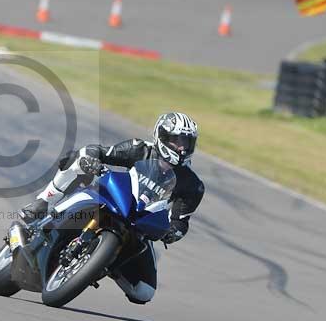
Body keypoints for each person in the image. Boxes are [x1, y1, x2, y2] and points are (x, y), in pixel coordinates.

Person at [16, 112, 205, 304]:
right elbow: (101, 152)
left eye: (187, 142)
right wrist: (92, 158)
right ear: (162, 136)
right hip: (114, 199)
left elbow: (180, 222)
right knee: (77, 158)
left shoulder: (192, 185)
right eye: (177, 140)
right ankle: (44, 202)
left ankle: (106, 263)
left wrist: (172, 233)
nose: (182, 147)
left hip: (141, 225)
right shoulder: (139, 149)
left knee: (143, 292)